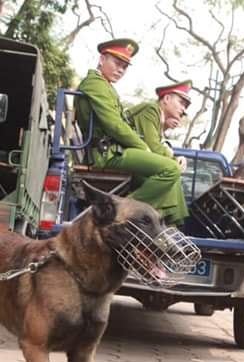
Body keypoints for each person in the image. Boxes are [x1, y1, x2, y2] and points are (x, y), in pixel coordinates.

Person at [75, 39, 188, 225]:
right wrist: (143, 147)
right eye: (117, 63)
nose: (120, 70)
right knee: (170, 169)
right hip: (106, 154)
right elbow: (114, 125)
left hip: (113, 150)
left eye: (125, 67)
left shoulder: (105, 85)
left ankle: (170, 226)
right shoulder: (94, 83)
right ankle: (123, 213)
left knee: (165, 177)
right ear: (102, 59)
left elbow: (118, 124)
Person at [126, 80, 193, 222]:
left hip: (133, 162)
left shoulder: (157, 117)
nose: (182, 109)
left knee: (172, 173)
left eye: (185, 106)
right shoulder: (151, 110)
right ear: (167, 98)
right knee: (170, 172)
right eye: (181, 102)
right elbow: (153, 146)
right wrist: (174, 160)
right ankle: (169, 224)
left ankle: (170, 225)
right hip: (124, 160)